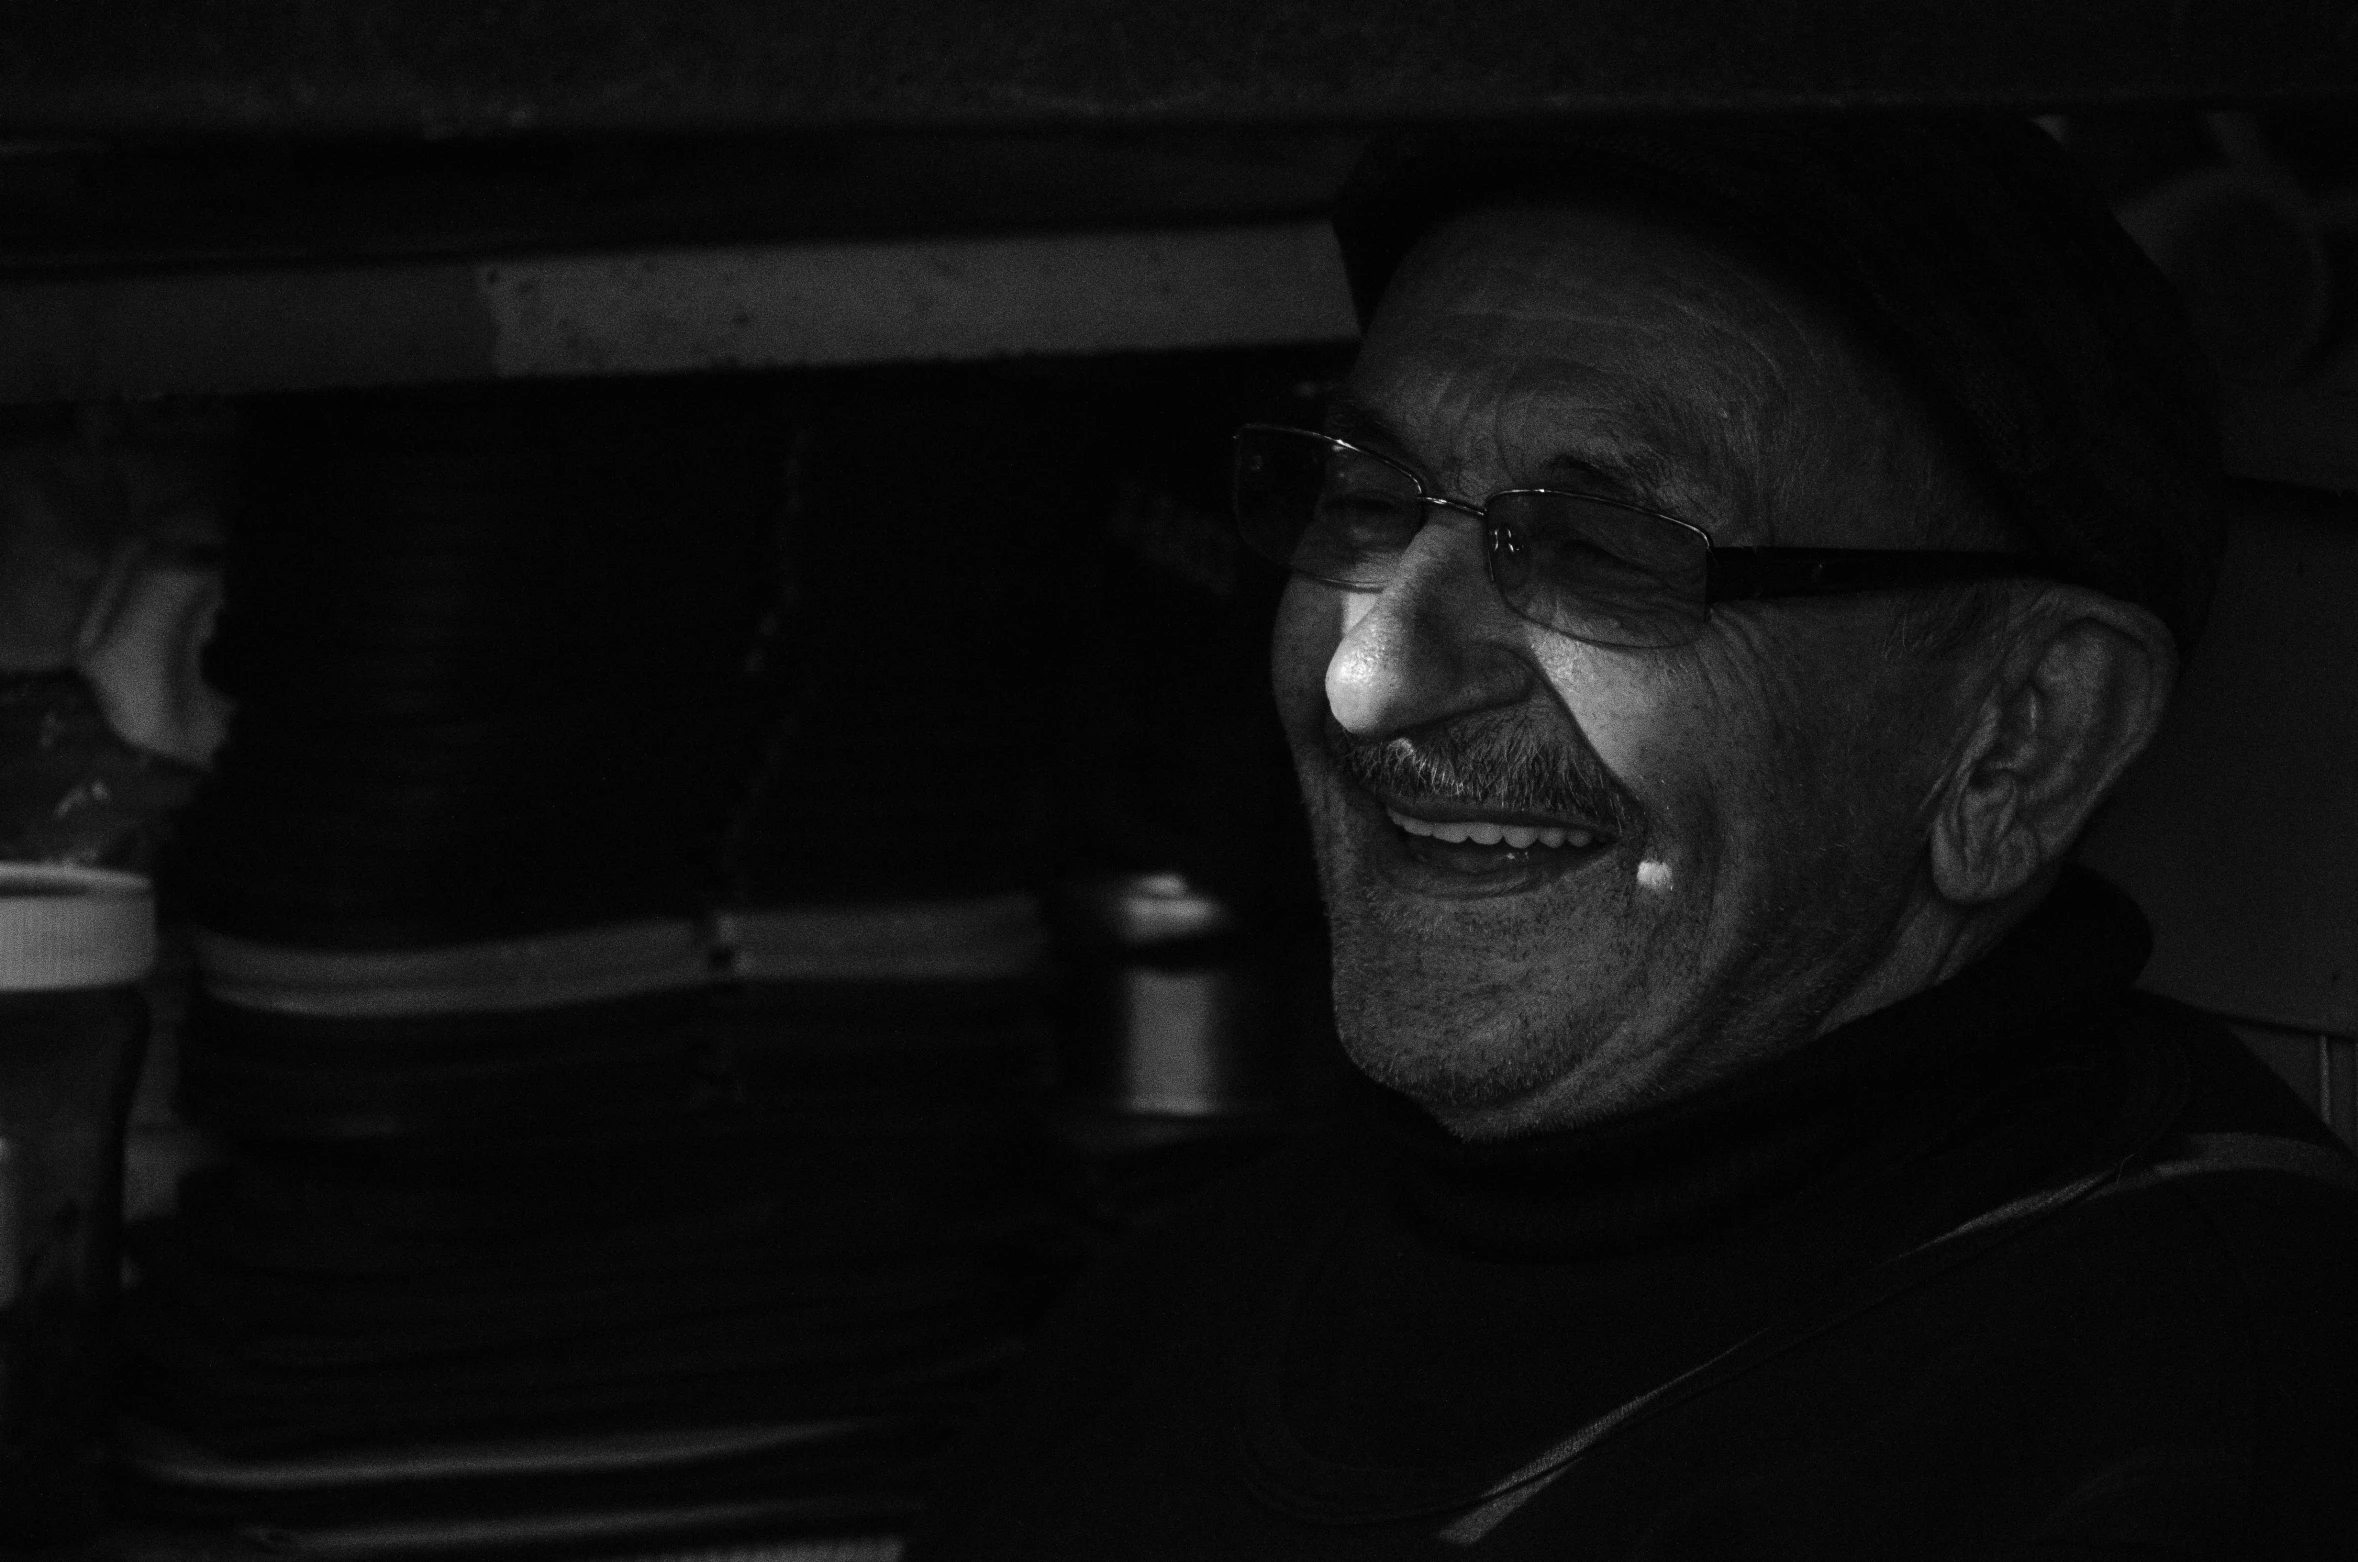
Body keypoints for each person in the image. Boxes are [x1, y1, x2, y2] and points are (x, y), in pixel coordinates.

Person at [908, 117, 2358, 1558]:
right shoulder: (1182, 1311)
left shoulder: (2175, 1431)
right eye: (1362, 501)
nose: (1368, 678)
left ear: (2015, 737)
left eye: (1599, 549)